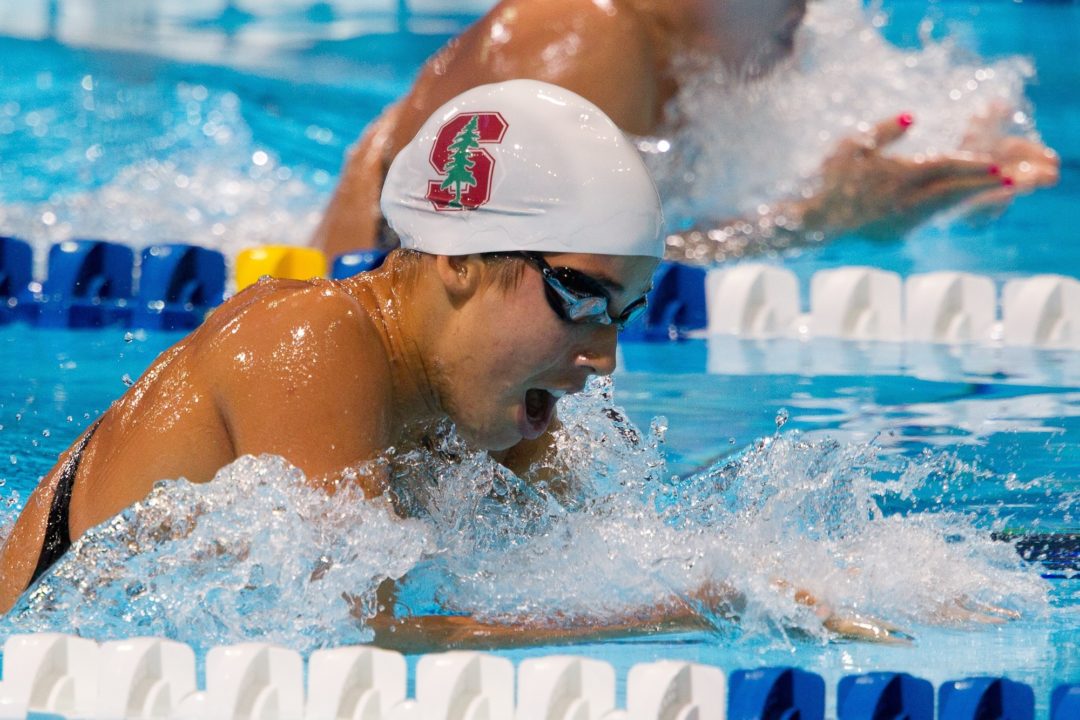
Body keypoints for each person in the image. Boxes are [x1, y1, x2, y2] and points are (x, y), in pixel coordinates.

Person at [0, 81, 982, 647]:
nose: (602, 355)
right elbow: (357, 639)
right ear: (464, 264)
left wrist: (844, 577)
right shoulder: (312, 347)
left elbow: (615, 552)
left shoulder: (479, 410)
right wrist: (693, 615)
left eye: (627, 314)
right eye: (582, 299)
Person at [312, 0, 1059, 264]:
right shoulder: (586, 41)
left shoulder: (689, 58)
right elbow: (537, 301)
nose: (809, 9)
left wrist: (951, 173)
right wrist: (815, 226)